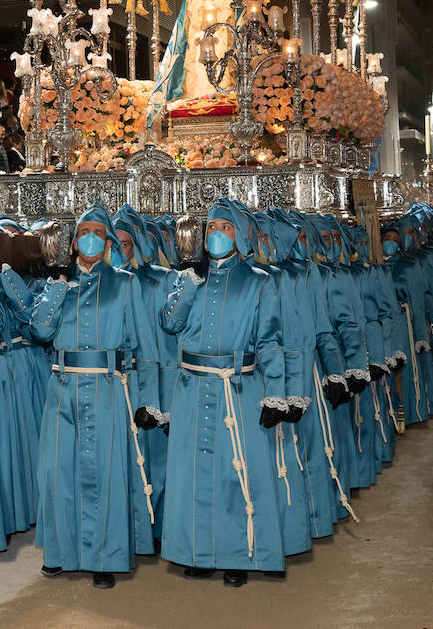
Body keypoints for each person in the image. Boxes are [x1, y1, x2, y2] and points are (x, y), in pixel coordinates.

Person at [0, 204, 159, 588]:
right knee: (57, 472)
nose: (88, 238)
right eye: (82, 232)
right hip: (62, 385)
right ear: (73, 243)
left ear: (106, 243)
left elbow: (144, 347)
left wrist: (146, 400)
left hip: (107, 385)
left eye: (96, 233)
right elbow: (38, 330)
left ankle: (105, 557)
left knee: (102, 471)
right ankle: (59, 553)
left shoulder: (124, 283)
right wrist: (56, 287)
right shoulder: (57, 287)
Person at [158, 199, 287, 586]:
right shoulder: (184, 280)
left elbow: (270, 341)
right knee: (191, 474)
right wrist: (189, 285)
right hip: (191, 389)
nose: (215, 234)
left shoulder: (260, 281)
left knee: (236, 474)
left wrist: (276, 394)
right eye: (210, 227)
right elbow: (167, 324)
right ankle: (196, 553)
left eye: (225, 227)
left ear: (241, 235)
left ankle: (237, 555)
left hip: (238, 388)